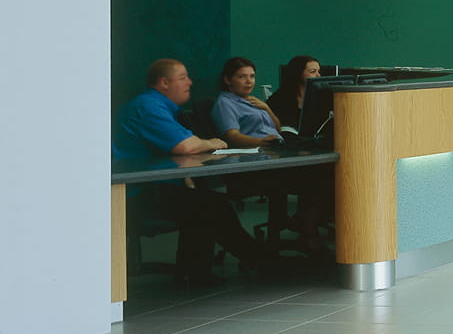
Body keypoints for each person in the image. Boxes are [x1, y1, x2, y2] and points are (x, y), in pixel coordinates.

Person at [115, 58, 277, 286]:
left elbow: (187, 142)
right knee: (210, 207)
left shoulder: (163, 108)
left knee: (208, 204)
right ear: (163, 83)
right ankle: (265, 264)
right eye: (182, 78)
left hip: (151, 187)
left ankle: (201, 272)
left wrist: (203, 143)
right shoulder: (148, 107)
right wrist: (214, 142)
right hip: (132, 195)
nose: (190, 82)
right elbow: (187, 145)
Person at [213, 57, 282, 148]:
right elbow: (232, 137)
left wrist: (267, 108)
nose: (249, 81)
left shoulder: (254, 100)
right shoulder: (225, 103)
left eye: (252, 76)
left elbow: (278, 129)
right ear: (228, 80)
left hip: (278, 148)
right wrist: (261, 142)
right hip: (255, 153)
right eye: (242, 77)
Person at [269, 54, 323, 133]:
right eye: (313, 72)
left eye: (318, 71)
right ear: (299, 72)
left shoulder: (322, 97)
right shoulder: (281, 97)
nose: (318, 76)